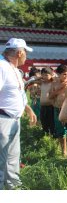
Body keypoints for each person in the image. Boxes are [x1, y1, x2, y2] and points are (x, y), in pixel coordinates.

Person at [0, 38, 37, 190]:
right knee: (2, 161)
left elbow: (17, 94)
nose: (26, 56)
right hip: (3, 119)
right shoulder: (1, 66)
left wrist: (27, 109)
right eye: (25, 53)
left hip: (13, 120)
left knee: (12, 159)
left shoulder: (13, 69)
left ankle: (13, 190)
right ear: (19, 52)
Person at [49, 64, 67, 156]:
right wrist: (59, 89)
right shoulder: (54, 84)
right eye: (64, 74)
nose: (66, 76)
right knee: (60, 130)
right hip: (57, 109)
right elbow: (50, 96)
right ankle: (63, 150)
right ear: (58, 74)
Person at [40, 67, 55, 136]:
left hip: (51, 107)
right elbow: (33, 80)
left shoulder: (53, 83)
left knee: (52, 125)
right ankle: (46, 139)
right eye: (43, 75)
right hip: (43, 107)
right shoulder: (41, 83)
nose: (44, 77)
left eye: (46, 75)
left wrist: (52, 76)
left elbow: (56, 78)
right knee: (44, 125)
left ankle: (53, 139)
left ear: (51, 75)